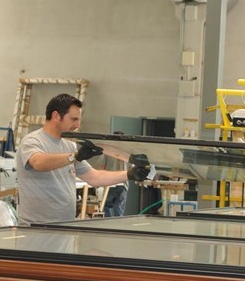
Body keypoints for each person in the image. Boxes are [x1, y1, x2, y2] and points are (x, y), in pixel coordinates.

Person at [14, 93, 151, 225]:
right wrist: (75, 157)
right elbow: (39, 163)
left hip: (65, 225)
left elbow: (94, 177)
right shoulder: (32, 141)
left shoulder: (69, 146)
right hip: (36, 226)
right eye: (73, 119)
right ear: (56, 116)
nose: (77, 125)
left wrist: (129, 174)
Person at [100, 131, 128, 217]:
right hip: (123, 184)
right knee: (119, 209)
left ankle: (108, 223)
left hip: (110, 183)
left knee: (105, 206)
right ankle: (118, 225)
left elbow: (101, 168)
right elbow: (132, 169)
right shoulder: (127, 152)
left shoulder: (106, 151)